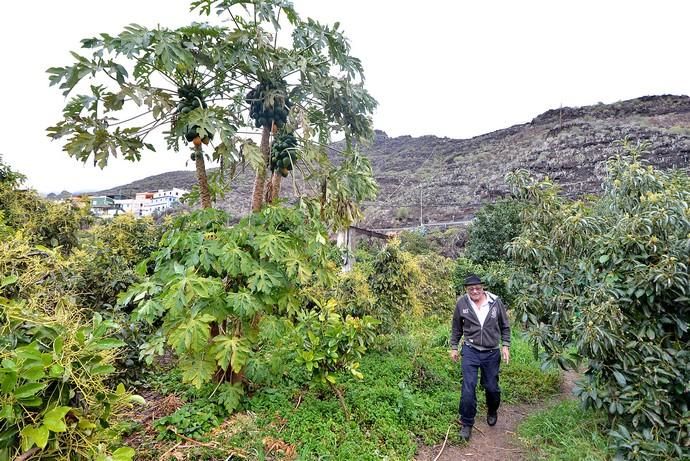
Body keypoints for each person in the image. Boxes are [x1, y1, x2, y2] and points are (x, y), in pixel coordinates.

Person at [449, 274, 511, 441]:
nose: (474, 291)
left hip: (491, 352)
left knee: (491, 387)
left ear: (483, 287)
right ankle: (467, 423)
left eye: (477, 288)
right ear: (466, 290)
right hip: (470, 350)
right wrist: (454, 347)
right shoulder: (462, 303)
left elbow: (505, 326)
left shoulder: (495, 302)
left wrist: (505, 345)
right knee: (468, 387)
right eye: (471, 289)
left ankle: (492, 409)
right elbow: (456, 327)